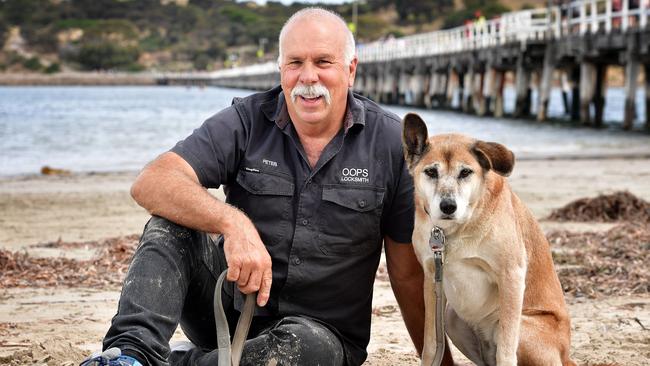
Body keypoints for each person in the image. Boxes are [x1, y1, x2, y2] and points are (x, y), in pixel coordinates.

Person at [82, 7, 438, 366]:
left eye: (324, 62)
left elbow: (406, 273)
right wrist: (233, 223)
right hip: (229, 313)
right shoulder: (247, 121)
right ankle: (129, 355)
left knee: (303, 348)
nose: (308, 77)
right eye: (295, 62)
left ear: (351, 69)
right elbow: (153, 182)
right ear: (281, 69)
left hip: (322, 336)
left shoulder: (391, 144)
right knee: (170, 223)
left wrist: (438, 361)